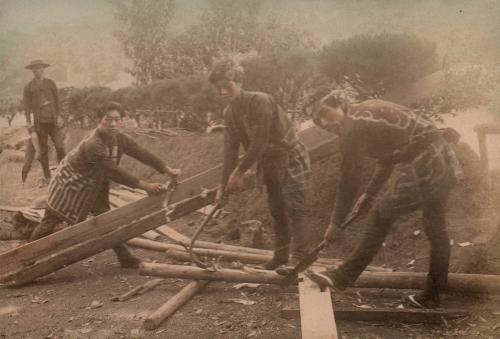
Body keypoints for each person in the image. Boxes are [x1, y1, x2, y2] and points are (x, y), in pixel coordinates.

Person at [304, 89, 462, 308]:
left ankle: (343, 276)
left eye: (327, 114)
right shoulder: (367, 109)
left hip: (425, 162)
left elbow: (349, 179)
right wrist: (369, 193)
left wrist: (336, 223)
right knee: (436, 228)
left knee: (380, 216)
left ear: (339, 105)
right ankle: (434, 293)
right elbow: (389, 159)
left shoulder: (353, 126)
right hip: (443, 159)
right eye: (320, 122)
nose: (326, 122)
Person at [29, 102, 180, 268]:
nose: (113, 124)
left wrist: (167, 169)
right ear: (100, 120)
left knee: (106, 218)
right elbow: (112, 171)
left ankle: (124, 257)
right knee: (49, 222)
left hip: (93, 183)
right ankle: (24, 259)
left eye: (117, 119)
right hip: (68, 184)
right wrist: (146, 186)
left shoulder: (118, 138)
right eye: (109, 119)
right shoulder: (94, 143)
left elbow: (140, 152)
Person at [208, 59, 311, 270]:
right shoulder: (230, 113)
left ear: (239, 82)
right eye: (218, 89)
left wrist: (239, 172)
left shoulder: (260, 101)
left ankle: (302, 257)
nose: (222, 92)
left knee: (294, 206)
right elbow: (230, 151)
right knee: (276, 208)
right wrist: (222, 186)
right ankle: (281, 257)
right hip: (269, 159)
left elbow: (260, 141)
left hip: (288, 153)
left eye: (227, 87)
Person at [23, 59, 66, 184]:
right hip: (40, 123)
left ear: (43, 69)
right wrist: (28, 121)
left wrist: (59, 116)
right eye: (35, 68)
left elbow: (58, 101)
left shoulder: (51, 83)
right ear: (32, 70)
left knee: (60, 146)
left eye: (40, 67)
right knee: (43, 151)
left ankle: (62, 173)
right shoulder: (28, 87)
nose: (38, 70)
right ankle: (47, 176)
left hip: (53, 121)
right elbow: (26, 107)